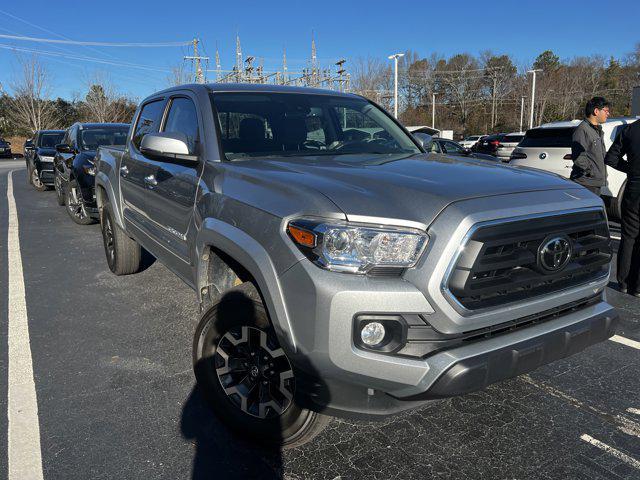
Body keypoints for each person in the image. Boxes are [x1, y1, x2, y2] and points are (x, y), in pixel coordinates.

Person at [605, 119, 640, 294]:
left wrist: (631, 169)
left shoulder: (629, 130)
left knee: (629, 236)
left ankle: (624, 282)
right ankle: (638, 286)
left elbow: (610, 158)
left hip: (634, 188)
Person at [570, 97, 611, 195]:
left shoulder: (596, 130)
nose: (608, 114)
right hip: (585, 184)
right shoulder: (582, 130)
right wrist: (591, 172)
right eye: (606, 111)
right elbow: (578, 156)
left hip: (594, 183)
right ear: (596, 111)